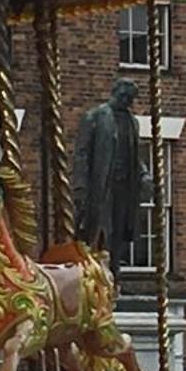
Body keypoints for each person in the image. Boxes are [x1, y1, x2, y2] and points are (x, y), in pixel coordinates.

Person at [72, 79, 144, 257]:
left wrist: (144, 174)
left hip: (125, 186)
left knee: (119, 233)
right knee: (99, 231)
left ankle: (114, 273)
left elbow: (135, 156)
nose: (126, 100)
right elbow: (82, 154)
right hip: (102, 185)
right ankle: (96, 272)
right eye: (124, 95)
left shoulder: (132, 122)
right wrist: (81, 185)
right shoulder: (95, 117)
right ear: (115, 92)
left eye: (130, 98)